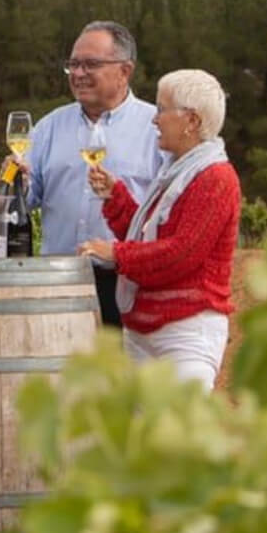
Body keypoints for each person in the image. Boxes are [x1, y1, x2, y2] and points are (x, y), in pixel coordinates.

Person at [76, 69, 240, 390]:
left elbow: (180, 255)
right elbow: (148, 237)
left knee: (178, 436)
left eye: (162, 110)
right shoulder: (176, 172)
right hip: (145, 334)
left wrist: (116, 254)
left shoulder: (216, 179)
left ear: (191, 121)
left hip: (185, 336)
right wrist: (116, 197)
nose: (155, 119)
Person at [26, 21, 166, 325]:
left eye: (90, 65)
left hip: (128, 285)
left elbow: (169, 213)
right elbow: (26, 200)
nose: (78, 74)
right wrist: (17, 184)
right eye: (73, 65)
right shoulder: (48, 127)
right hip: (57, 282)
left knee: (122, 373)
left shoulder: (157, 127)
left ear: (125, 71)